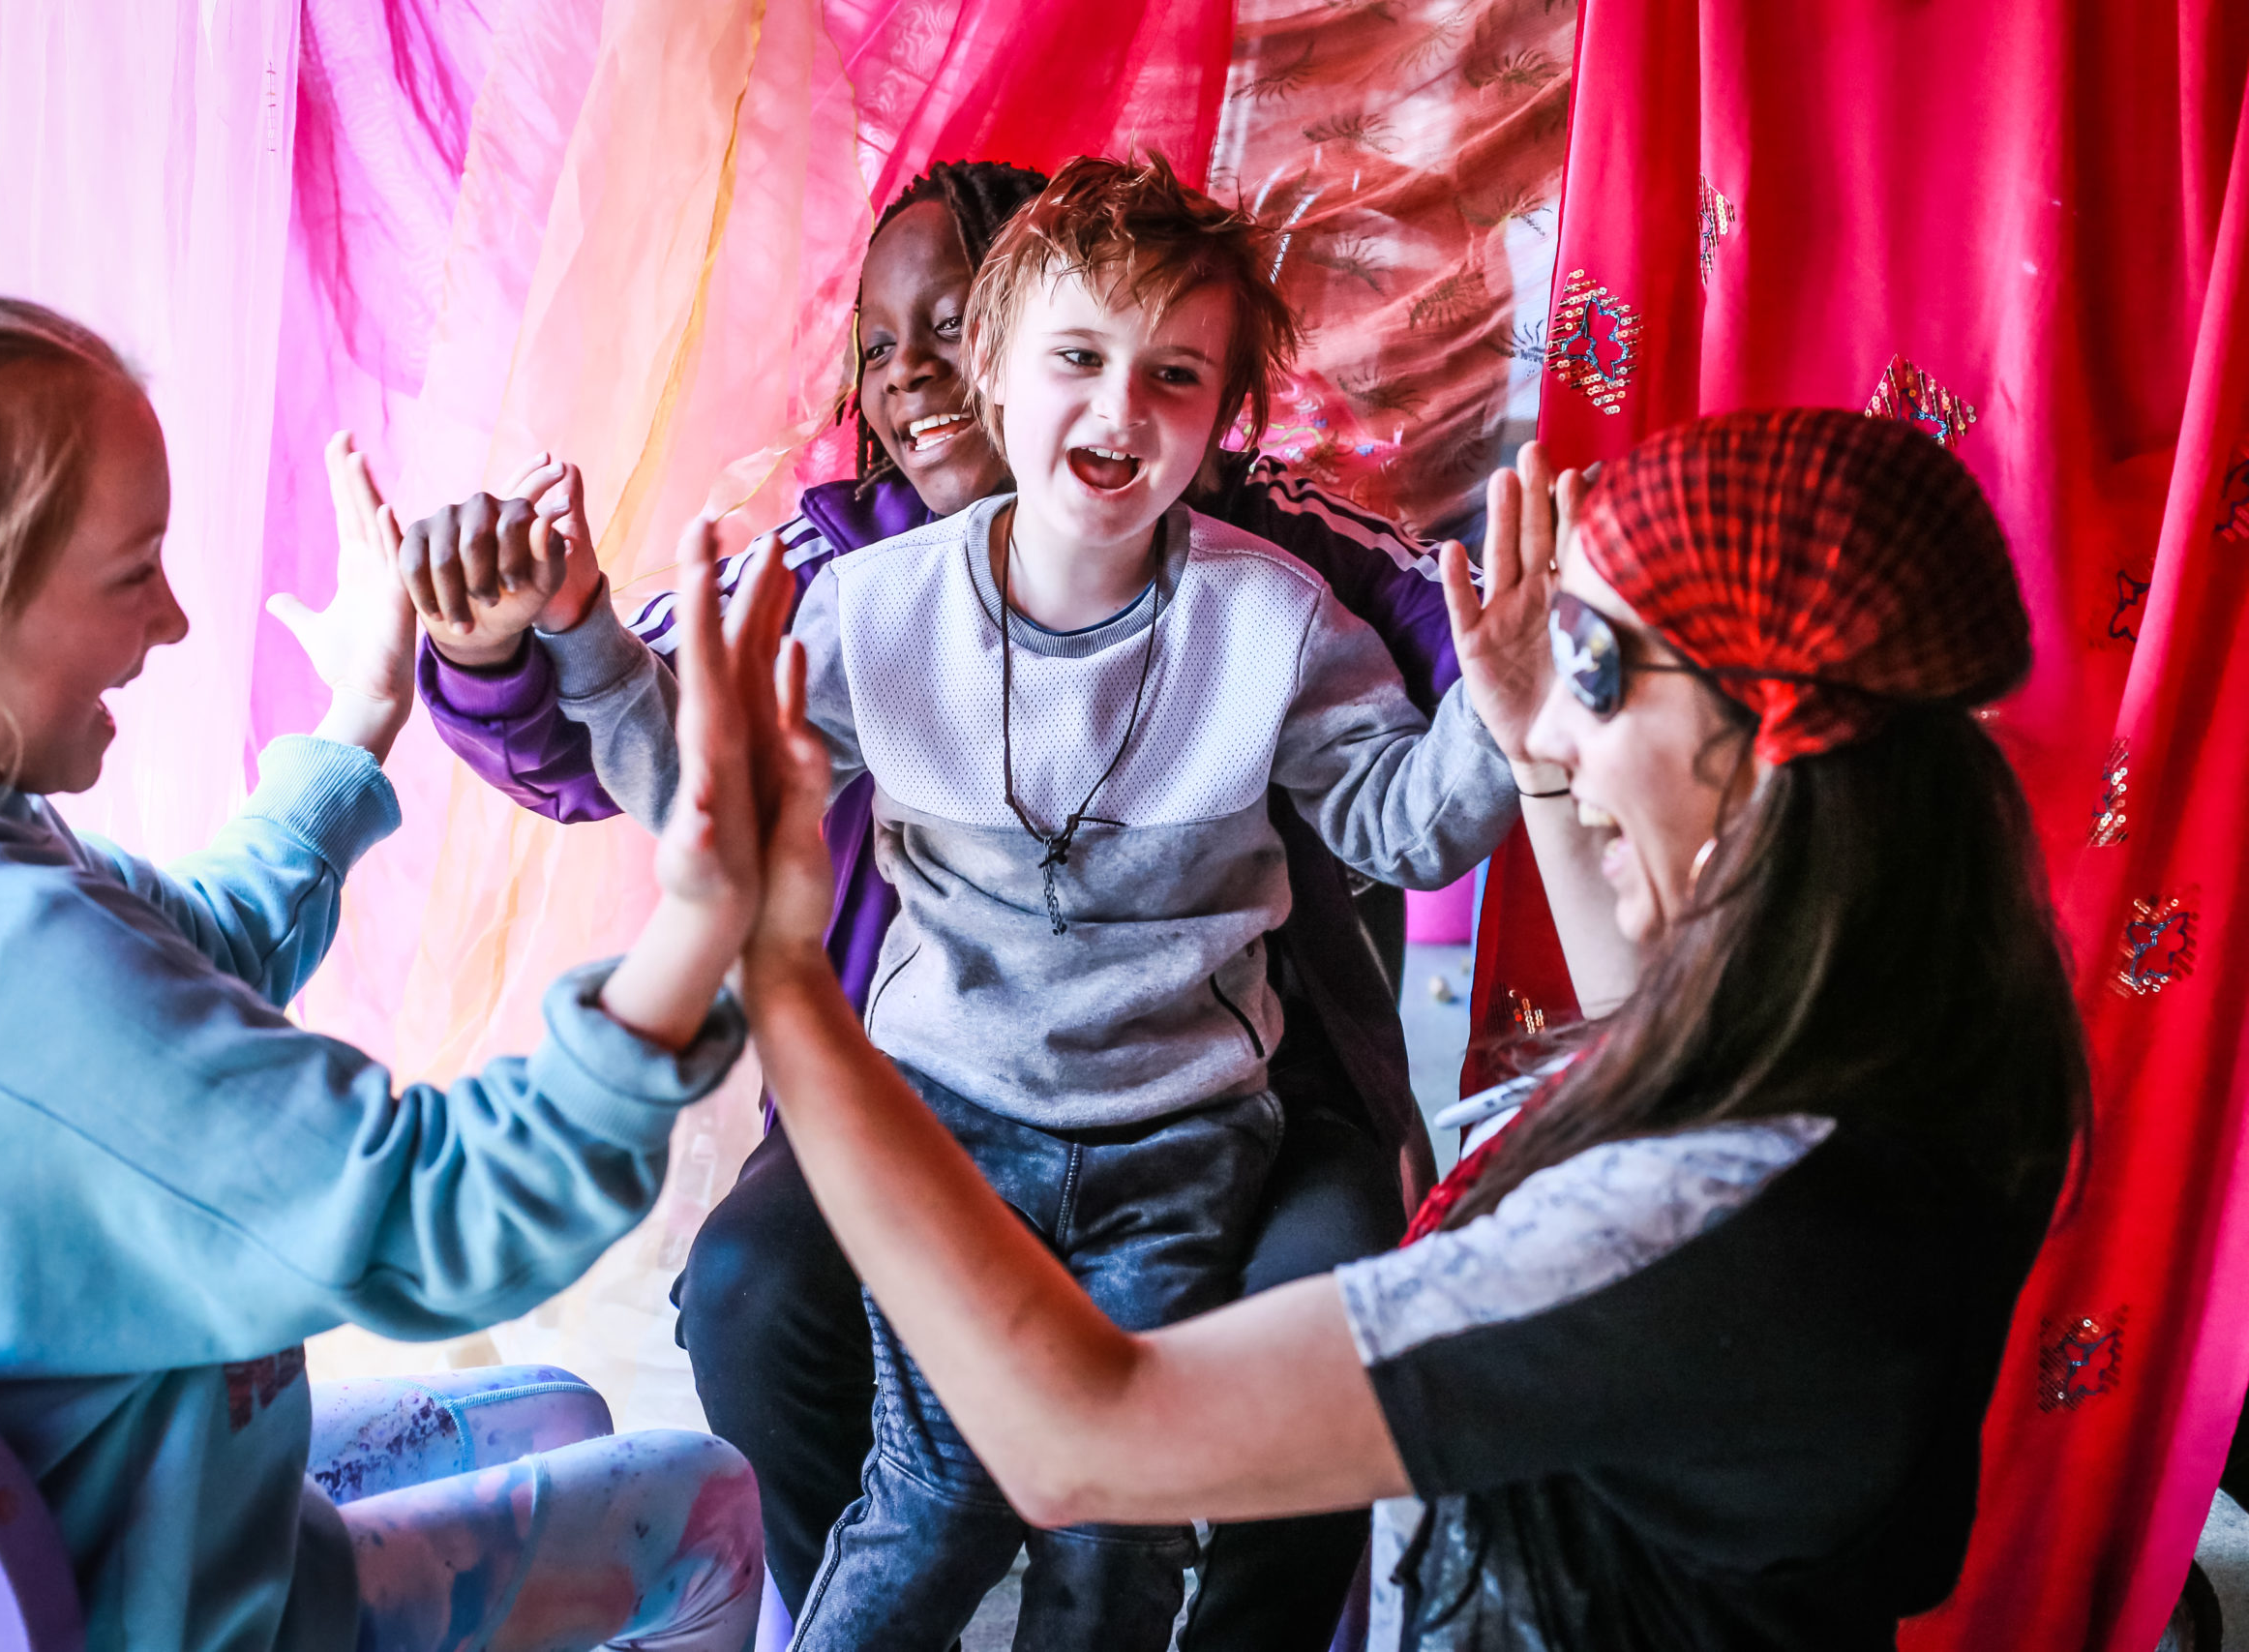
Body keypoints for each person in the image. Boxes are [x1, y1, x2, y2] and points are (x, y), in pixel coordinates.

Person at [706, 405, 2088, 1650]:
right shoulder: (1888, 1052)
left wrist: (787, 980)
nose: (1555, 721)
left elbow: (1079, 1442)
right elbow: (1632, 1015)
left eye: (1597, 668)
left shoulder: (1712, 1230)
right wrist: (1533, 748)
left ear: (1773, 730)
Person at [405, 159, 1481, 1644]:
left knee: (1119, 1511)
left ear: (1225, 415)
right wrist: (560, 630)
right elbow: (668, 766)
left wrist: (1513, 695)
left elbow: (1409, 790)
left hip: (1184, 1129)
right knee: (929, 1492)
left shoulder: (1271, 595)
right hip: (940, 1110)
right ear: (1005, 368)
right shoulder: (859, 589)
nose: (1116, 410)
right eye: (1076, 361)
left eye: (1172, 374)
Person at [0, 286, 767, 1652]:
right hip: (157, 1603)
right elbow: (445, 1215)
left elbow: (186, 965)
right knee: (703, 1503)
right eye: (133, 575)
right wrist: (707, 913)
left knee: (558, 1410)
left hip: (105, 1511)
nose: (175, 622)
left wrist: (361, 712)